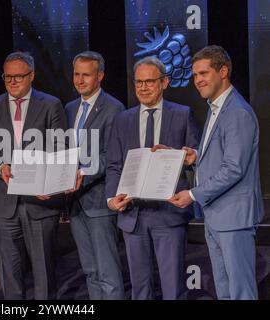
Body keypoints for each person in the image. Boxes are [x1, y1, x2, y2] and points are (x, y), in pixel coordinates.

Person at [169, 45, 264, 300]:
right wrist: (196, 157)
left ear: (223, 72)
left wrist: (192, 193)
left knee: (241, 292)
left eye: (203, 73)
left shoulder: (237, 113)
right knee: (224, 291)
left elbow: (234, 168)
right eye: (195, 75)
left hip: (234, 219)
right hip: (217, 216)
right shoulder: (216, 108)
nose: (197, 81)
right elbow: (223, 155)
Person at [105, 56, 200, 299]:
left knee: (172, 288)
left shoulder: (182, 114)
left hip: (168, 213)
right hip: (133, 214)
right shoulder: (122, 119)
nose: (143, 87)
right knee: (140, 289)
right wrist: (111, 198)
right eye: (139, 82)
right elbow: (114, 165)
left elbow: (196, 157)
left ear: (164, 82)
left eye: (149, 81)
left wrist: (186, 156)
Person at [0, 51, 67, 299]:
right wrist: (0, 166)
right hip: (5, 204)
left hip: (39, 203)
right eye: (8, 77)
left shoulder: (50, 104)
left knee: (44, 274)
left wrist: (48, 182)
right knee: (10, 274)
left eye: (19, 76)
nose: (13, 82)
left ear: (32, 76)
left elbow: (60, 150)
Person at [64, 51, 125, 299]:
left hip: (100, 202)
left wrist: (82, 173)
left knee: (107, 272)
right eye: (76, 74)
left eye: (86, 75)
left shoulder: (114, 108)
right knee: (90, 270)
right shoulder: (69, 108)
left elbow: (112, 156)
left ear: (100, 76)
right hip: (75, 203)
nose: (79, 80)